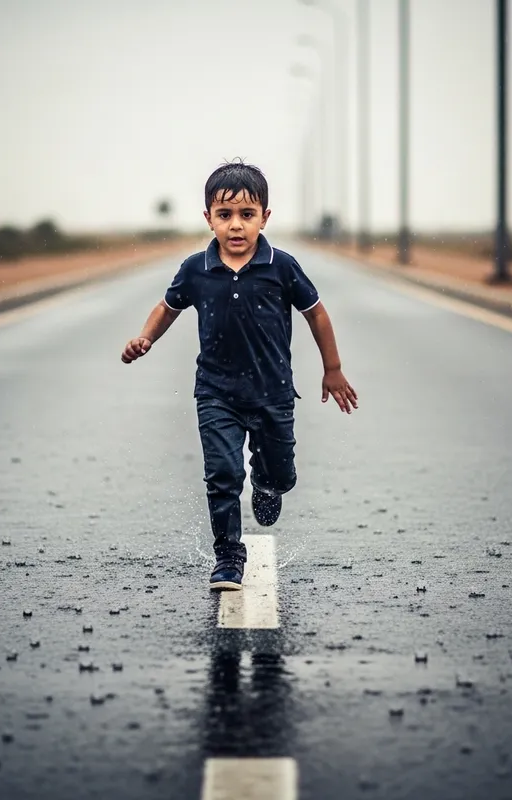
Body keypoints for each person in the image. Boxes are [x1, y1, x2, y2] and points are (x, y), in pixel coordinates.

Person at [121, 161, 357, 590]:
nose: (235, 226)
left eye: (247, 215)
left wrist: (333, 369)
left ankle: (269, 485)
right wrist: (146, 338)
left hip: (274, 394)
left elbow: (316, 313)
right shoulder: (196, 268)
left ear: (265, 218)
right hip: (216, 393)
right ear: (208, 218)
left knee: (279, 472)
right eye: (224, 215)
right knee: (223, 474)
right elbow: (167, 307)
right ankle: (228, 557)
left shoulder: (280, 266)